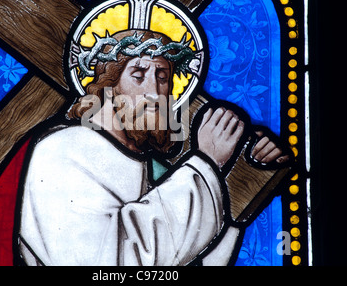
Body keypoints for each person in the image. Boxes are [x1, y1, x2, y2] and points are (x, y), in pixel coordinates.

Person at [17, 30, 288, 266]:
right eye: (138, 75)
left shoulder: (154, 170)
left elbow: (190, 260)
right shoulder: (62, 152)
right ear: (107, 87)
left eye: (162, 77)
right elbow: (108, 263)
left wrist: (245, 172)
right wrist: (205, 164)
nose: (155, 91)